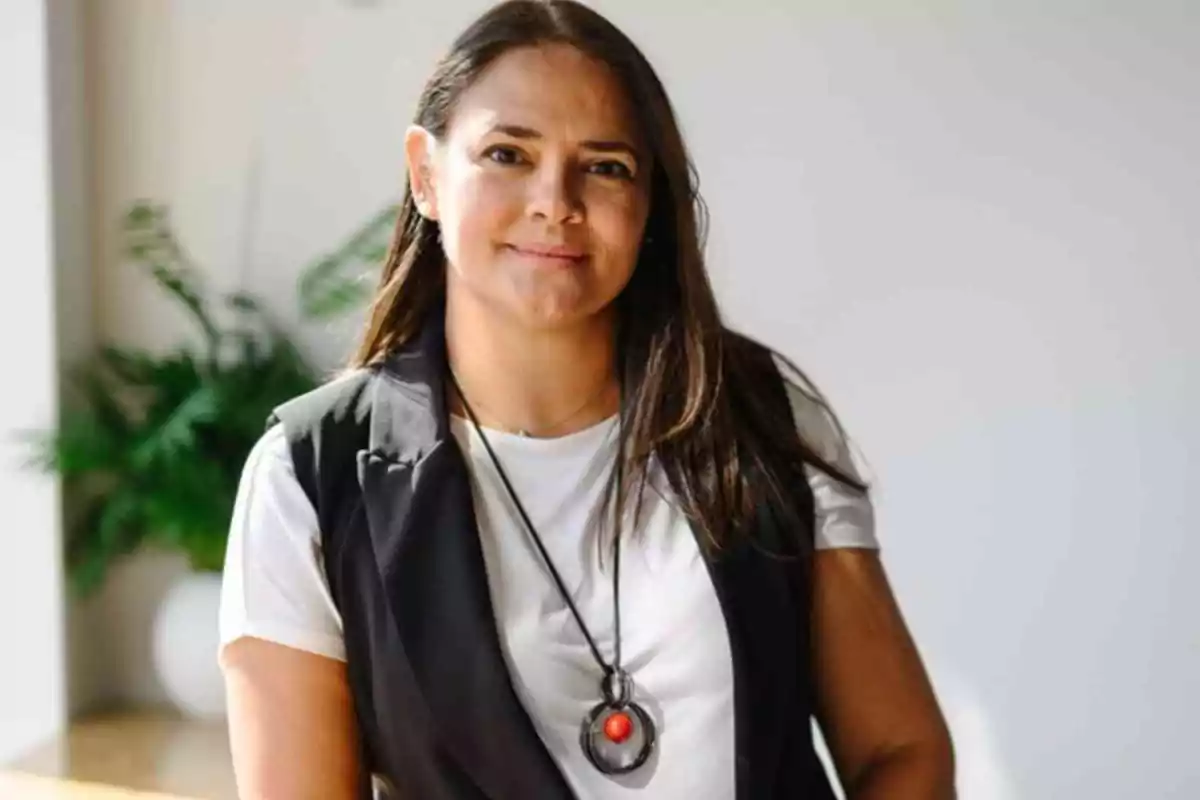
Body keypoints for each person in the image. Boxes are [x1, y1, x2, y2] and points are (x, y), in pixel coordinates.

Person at [217, 1, 955, 797]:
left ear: (649, 204)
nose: (555, 201)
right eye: (507, 153)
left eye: (604, 165)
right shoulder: (309, 479)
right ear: (426, 175)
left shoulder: (762, 418)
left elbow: (902, 753)